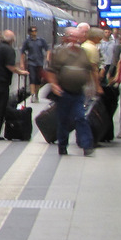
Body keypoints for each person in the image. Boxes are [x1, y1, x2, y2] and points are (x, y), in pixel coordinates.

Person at [44, 27, 98, 156]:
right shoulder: (59, 53)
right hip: (63, 92)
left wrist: (93, 86)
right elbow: (51, 71)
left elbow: (89, 69)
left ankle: (87, 145)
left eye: (77, 37)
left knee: (81, 117)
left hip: (78, 92)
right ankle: (62, 145)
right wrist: (54, 85)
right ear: (65, 38)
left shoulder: (83, 53)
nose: (74, 40)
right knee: (63, 120)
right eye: (72, 37)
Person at [0, 29, 28, 141]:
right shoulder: (9, 50)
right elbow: (10, 66)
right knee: (0, 107)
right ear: (12, 40)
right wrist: (21, 72)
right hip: (0, 82)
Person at [20, 25, 49, 102]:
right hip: (31, 62)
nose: (34, 32)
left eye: (35, 31)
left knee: (38, 79)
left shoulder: (41, 40)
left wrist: (47, 57)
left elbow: (47, 49)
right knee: (32, 78)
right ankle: (32, 95)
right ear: (30, 32)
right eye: (32, 31)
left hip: (40, 62)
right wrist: (22, 63)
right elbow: (22, 52)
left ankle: (36, 94)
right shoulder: (27, 41)